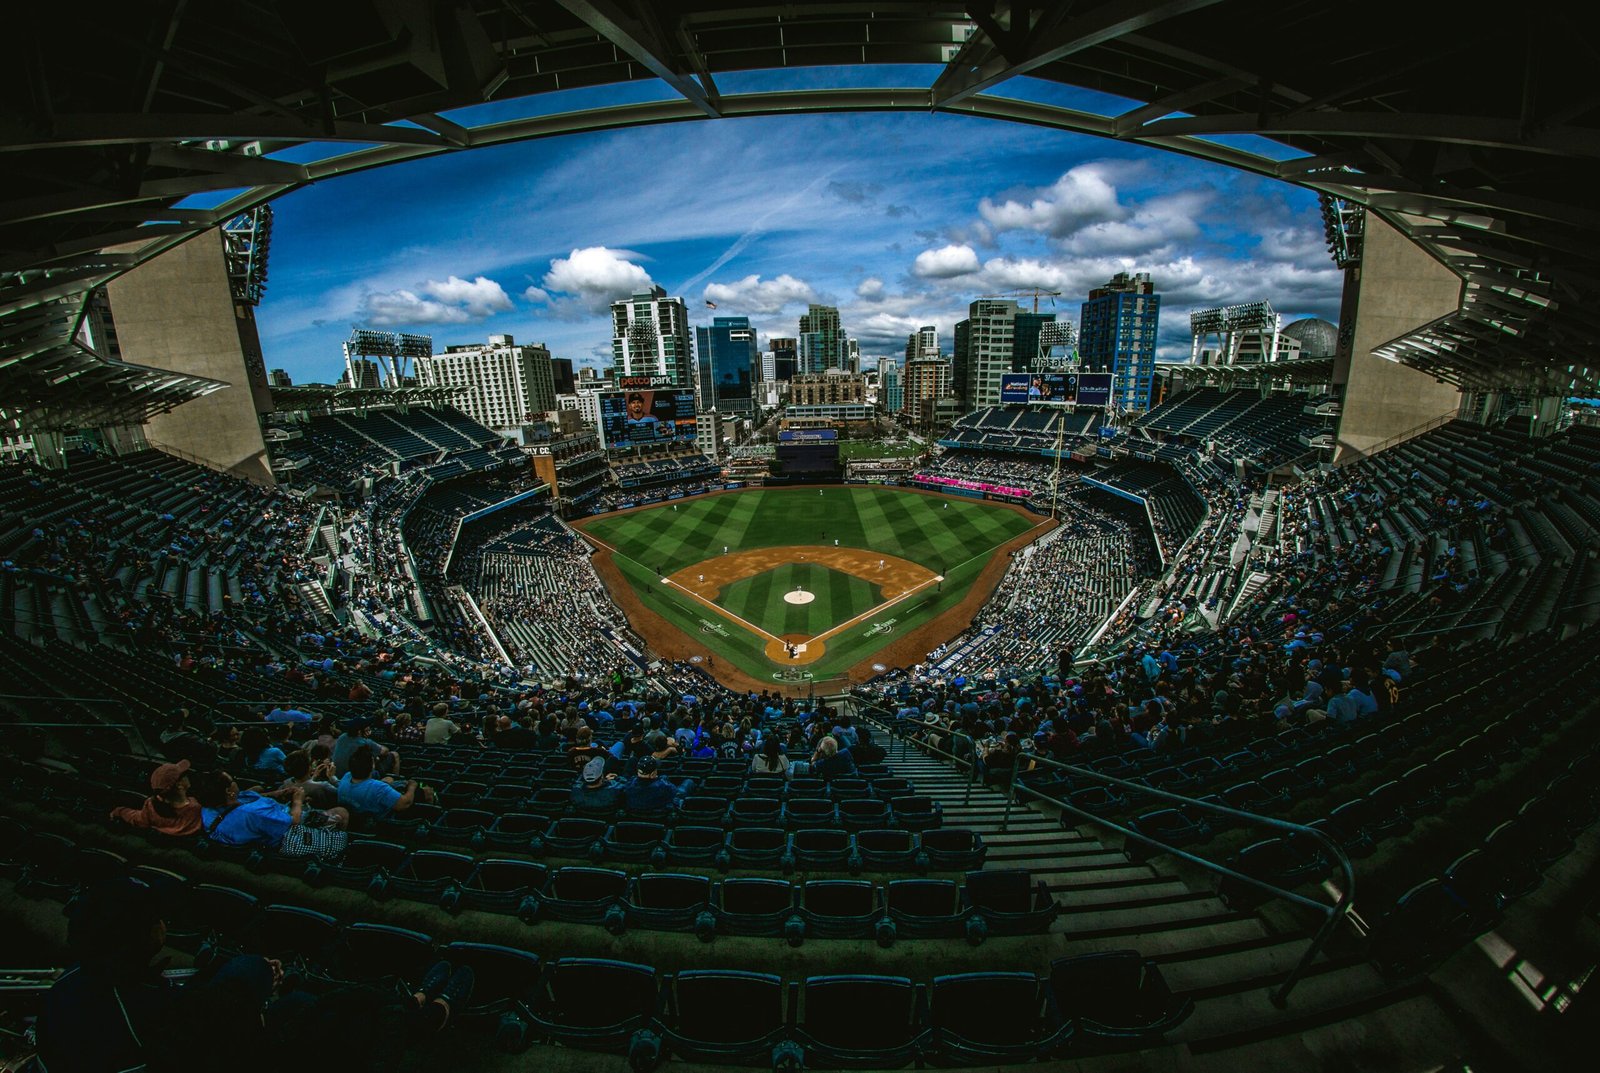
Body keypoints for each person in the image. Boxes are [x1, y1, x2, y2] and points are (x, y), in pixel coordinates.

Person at [193, 771, 348, 849]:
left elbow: (249, 797)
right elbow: (293, 822)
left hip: (264, 825)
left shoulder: (208, 809)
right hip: (286, 835)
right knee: (341, 813)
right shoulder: (253, 813)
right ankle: (330, 850)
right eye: (232, 781)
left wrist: (276, 794)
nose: (235, 782)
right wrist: (297, 801)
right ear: (228, 791)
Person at [109, 760, 202, 836]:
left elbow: (138, 819)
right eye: (184, 775)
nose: (188, 776)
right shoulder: (195, 808)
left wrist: (119, 811)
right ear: (179, 785)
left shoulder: (151, 805)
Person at [338, 745, 424, 822]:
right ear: (372, 766)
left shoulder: (346, 777)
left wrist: (384, 782)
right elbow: (405, 803)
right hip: (383, 824)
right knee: (427, 792)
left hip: (358, 822)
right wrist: (412, 786)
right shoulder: (378, 788)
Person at [622, 757, 694, 811]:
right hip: (659, 810)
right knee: (688, 782)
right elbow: (674, 792)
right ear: (653, 773)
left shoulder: (629, 785)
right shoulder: (663, 786)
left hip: (637, 814)